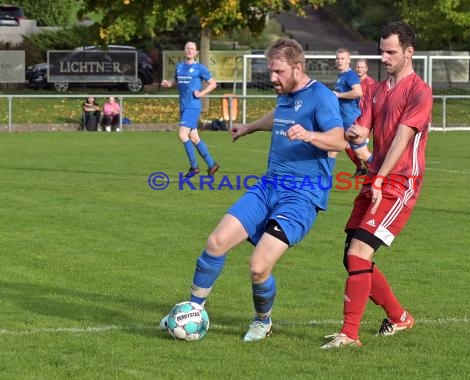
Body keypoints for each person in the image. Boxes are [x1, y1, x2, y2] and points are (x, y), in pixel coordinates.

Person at [159, 38, 346, 342]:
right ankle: (191, 310)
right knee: (216, 241)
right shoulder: (285, 94)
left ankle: (263, 320)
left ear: (297, 68)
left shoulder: (321, 97)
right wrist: (249, 127)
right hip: (269, 185)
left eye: (278, 72)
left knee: (259, 267)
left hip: (302, 196)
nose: (272, 78)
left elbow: (339, 141)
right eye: (270, 71)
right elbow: (279, 116)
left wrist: (310, 135)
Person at [321, 21, 433, 349]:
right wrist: (342, 132)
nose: (383, 57)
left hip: (399, 184)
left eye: (390, 52)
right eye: (381, 51)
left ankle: (349, 334)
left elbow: (402, 138)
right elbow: (362, 129)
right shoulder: (375, 89)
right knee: (351, 257)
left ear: (408, 52)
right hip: (376, 179)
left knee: (359, 252)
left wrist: (381, 176)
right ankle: (399, 318)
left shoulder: (419, 92)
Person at [161, 41, 220, 177]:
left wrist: (202, 93)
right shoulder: (179, 67)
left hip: (193, 106)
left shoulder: (200, 68)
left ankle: (194, 167)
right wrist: (168, 83)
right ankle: (212, 165)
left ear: (196, 52)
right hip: (183, 106)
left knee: (182, 134)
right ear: (184, 50)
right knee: (194, 137)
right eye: (187, 48)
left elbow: (213, 84)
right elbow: (176, 81)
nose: (189, 51)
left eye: (192, 49)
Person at [332, 48, 369, 178]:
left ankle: (379, 175)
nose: (340, 61)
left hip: (352, 121)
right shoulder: (341, 76)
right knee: (333, 147)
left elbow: (358, 92)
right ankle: (365, 170)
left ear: (348, 60)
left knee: (362, 154)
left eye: (342, 58)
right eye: (338, 58)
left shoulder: (350, 75)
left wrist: (339, 95)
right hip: (343, 121)